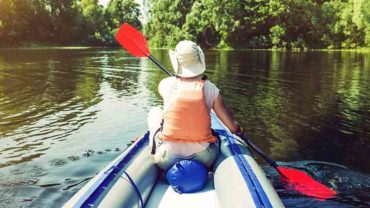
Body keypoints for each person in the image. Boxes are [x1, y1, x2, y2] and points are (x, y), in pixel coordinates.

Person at [147, 40, 242, 170]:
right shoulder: (211, 88)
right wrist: (239, 129)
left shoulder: (165, 84)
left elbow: (177, 92)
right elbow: (232, 128)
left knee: (155, 112)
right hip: (204, 159)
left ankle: (153, 145)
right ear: (200, 60)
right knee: (217, 140)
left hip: (167, 159)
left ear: (177, 63)